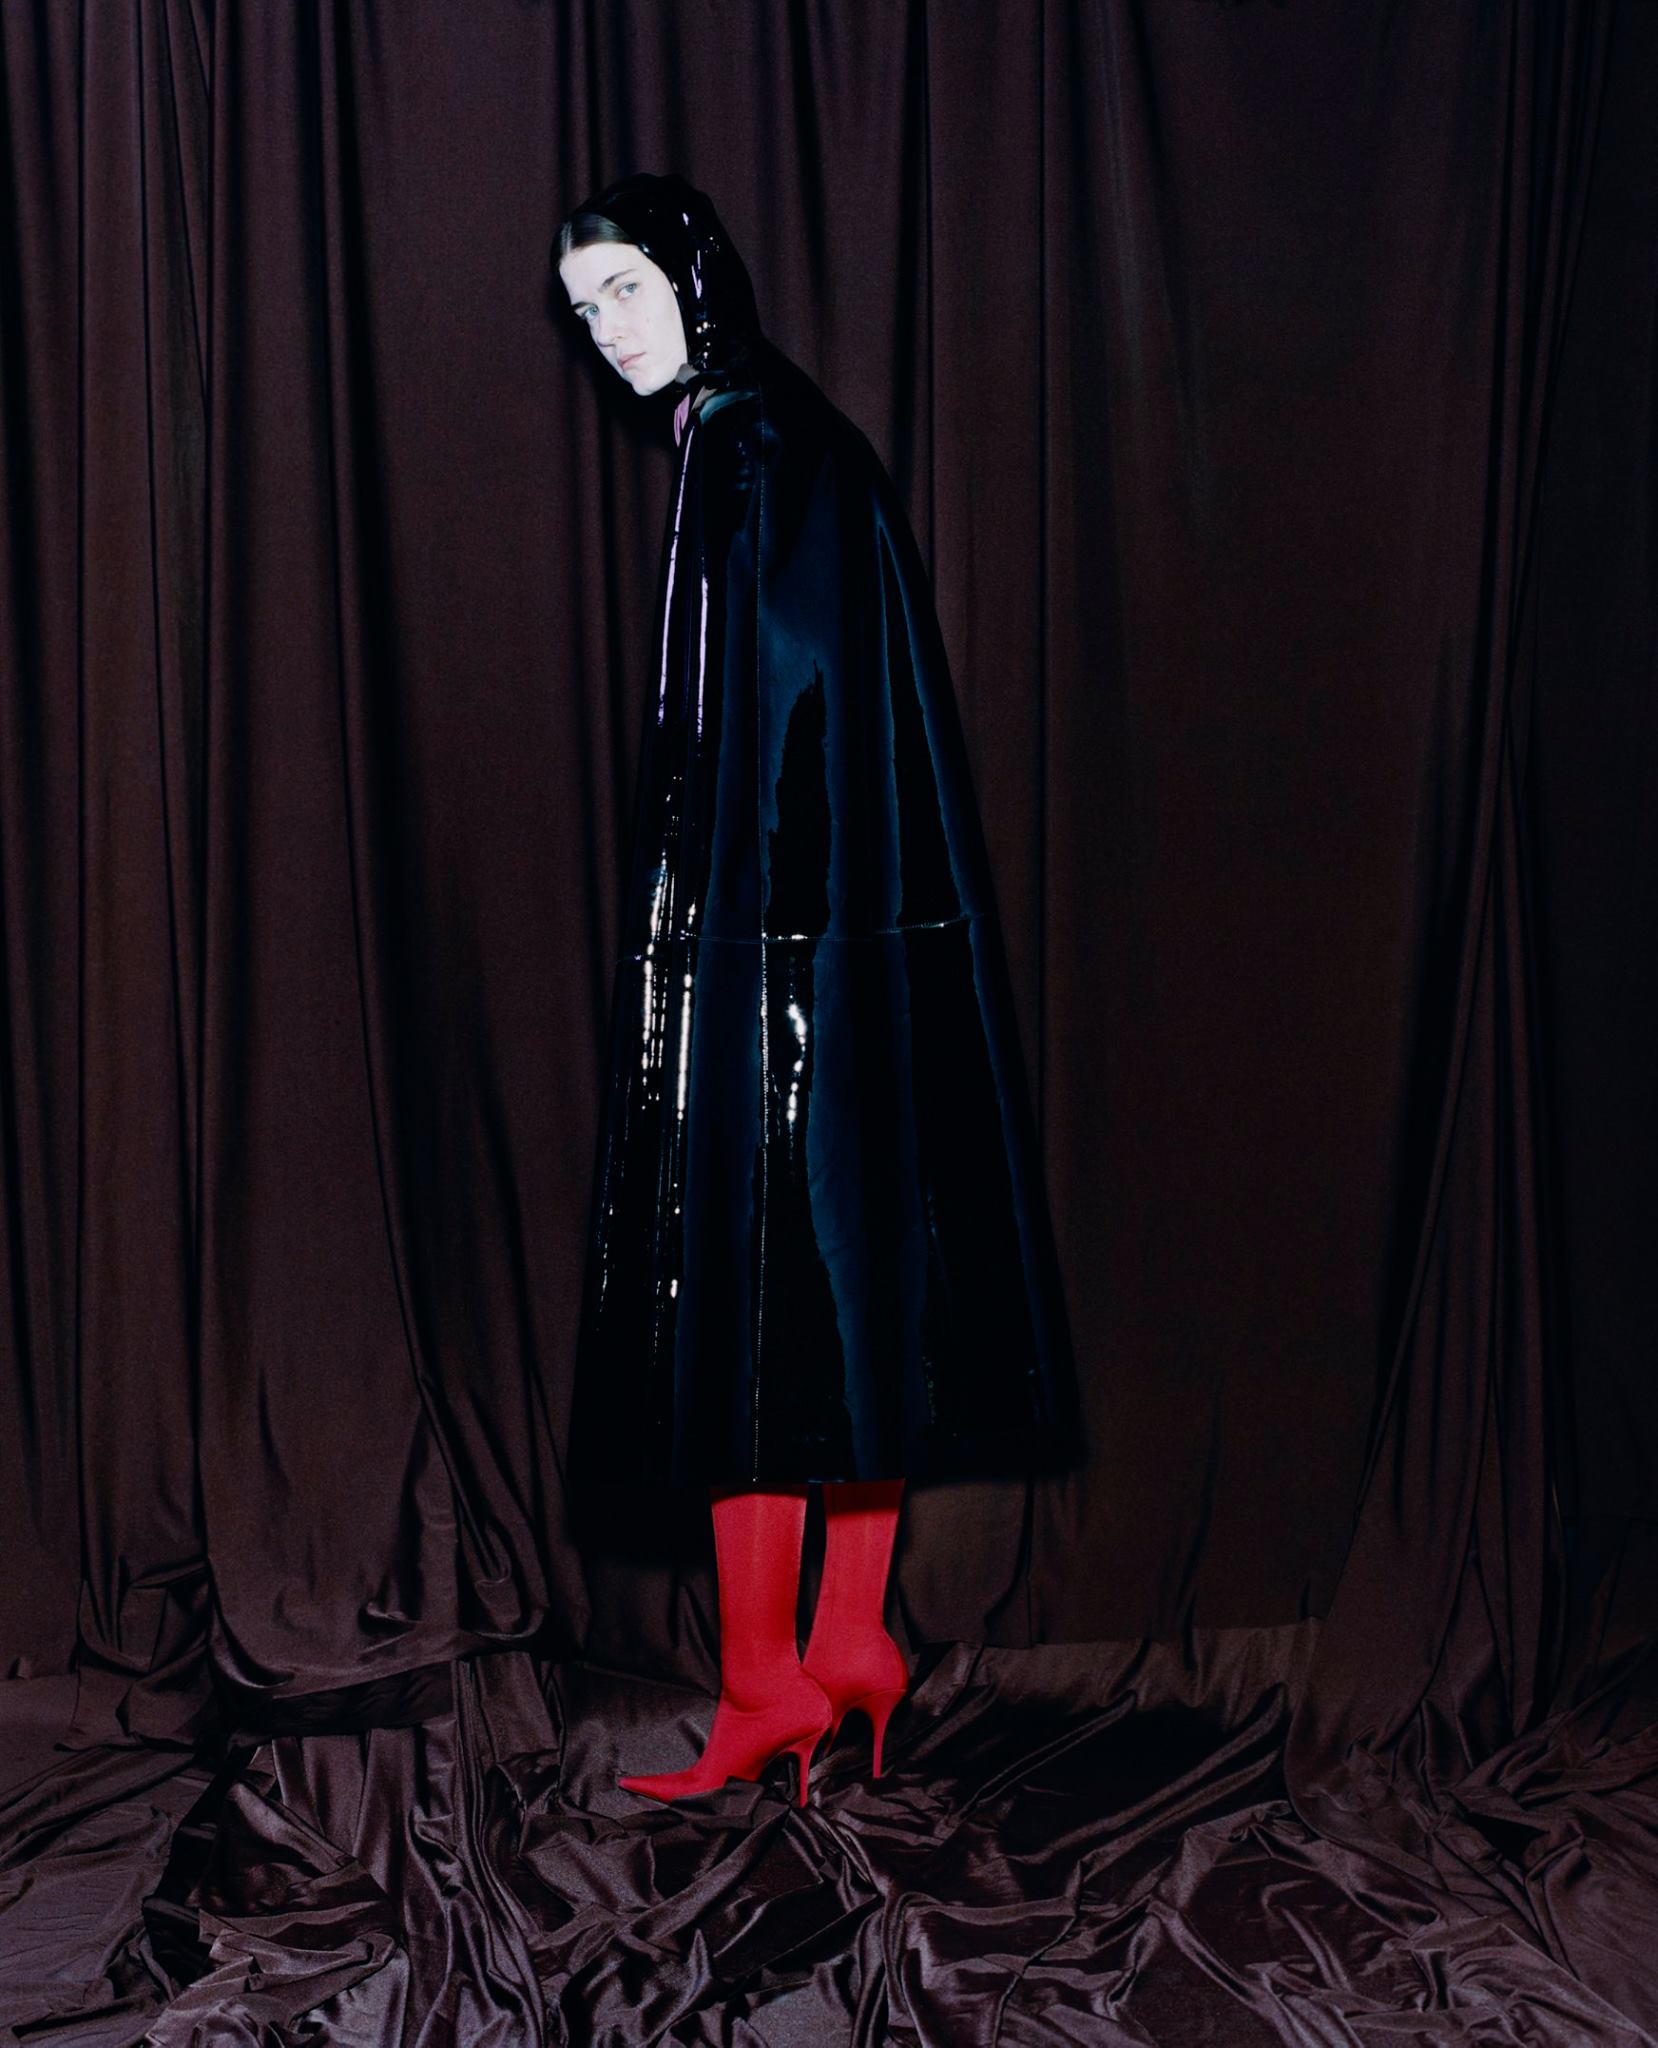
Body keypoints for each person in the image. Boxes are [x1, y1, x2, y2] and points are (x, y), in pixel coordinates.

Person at [554, 173, 1074, 1807]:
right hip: (852, 956)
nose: (606, 330)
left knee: (748, 1309)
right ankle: (848, 1645)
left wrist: (724, 958)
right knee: (853, 1297)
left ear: (695, 281)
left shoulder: (745, 444)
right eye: (584, 312)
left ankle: (764, 1682)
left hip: (775, 960)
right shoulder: (799, 434)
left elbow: (762, 729)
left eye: (626, 291)